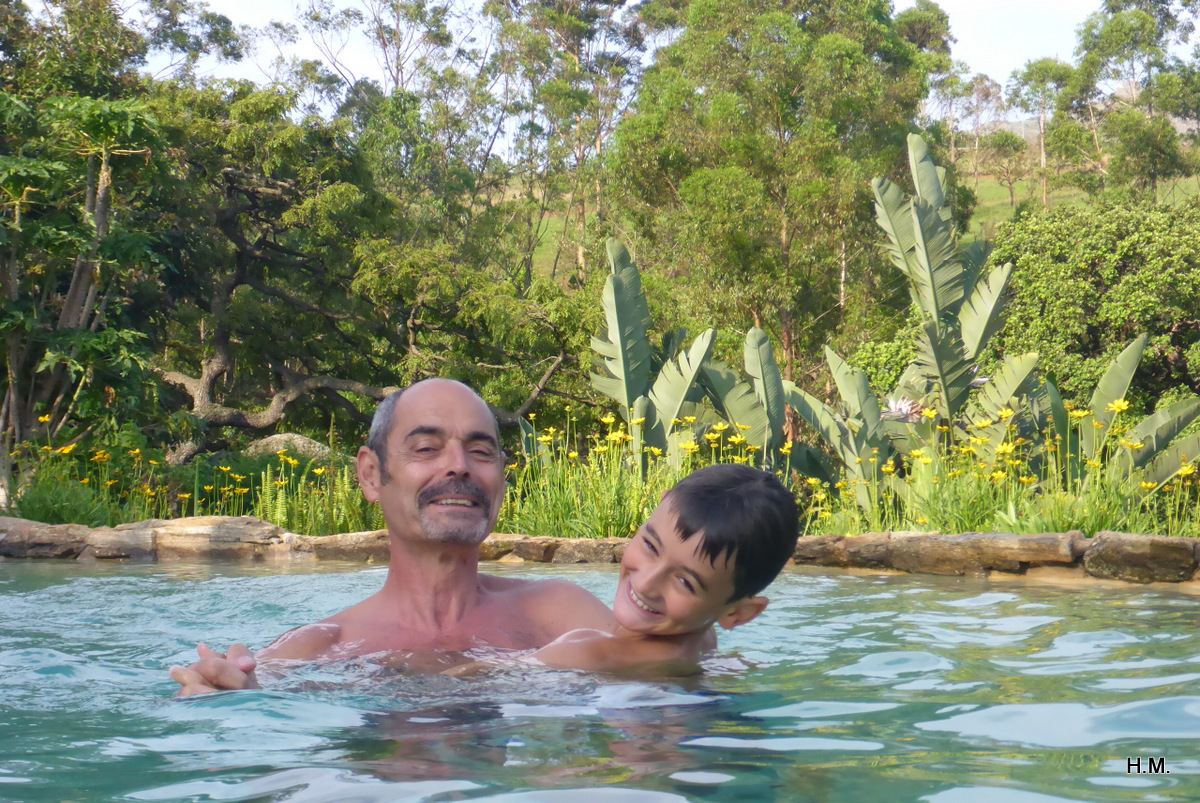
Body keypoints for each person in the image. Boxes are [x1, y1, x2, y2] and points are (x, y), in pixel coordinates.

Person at [169, 378, 615, 695]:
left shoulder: (562, 613)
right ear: (370, 474)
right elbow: (237, 705)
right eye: (426, 449)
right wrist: (227, 690)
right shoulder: (315, 651)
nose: (459, 466)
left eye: (481, 451)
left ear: (501, 476)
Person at [451, 463, 800, 678]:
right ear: (659, 504)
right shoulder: (702, 642)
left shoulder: (589, 653)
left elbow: (467, 683)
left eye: (684, 581)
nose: (646, 583)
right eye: (650, 545)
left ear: (738, 613)